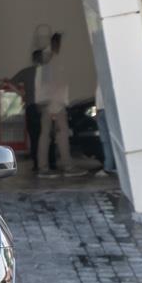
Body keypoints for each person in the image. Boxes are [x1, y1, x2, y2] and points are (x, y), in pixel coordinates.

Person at [35, 33, 85, 178]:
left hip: (47, 102)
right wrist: (55, 108)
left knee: (45, 135)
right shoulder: (53, 60)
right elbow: (52, 84)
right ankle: (67, 166)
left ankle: (43, 168)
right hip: (54, 103)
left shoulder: (45, 59)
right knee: (61, 135)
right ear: (58, 44)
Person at [10, 50, 43, 171]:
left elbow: (11, 82)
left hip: (31, 106)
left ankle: (36, 163)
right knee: (45, 135)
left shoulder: (27, 71)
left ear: (33, 59)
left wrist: (21, 93)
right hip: (45, 107)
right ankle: (50, 162)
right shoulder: (48, 71)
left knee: (34, 136)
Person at [94, 84, 116, 177]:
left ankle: (110, 167)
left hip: (105, 108)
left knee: (109, 140)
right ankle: (110, 166)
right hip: (101, 109)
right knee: (107, 140)